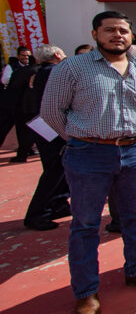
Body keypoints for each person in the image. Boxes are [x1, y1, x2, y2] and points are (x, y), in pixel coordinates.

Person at [41, 11, 136, 314]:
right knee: (86, 224)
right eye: (109, 30)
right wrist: (80, 138)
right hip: (89, 153)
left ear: (131, 36)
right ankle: (86, 291)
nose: (117, 35)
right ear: (95, 34)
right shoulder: (72, 68)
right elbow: (51, 112)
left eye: (123, 30)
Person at [23, 44, 69, 231]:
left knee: (58, 168)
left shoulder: (39, 72)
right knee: (54, 170)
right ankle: (37, 213)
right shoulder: (54, 72)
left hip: (44, 126)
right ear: (57, 55)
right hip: (53, 127)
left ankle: (58, 204)